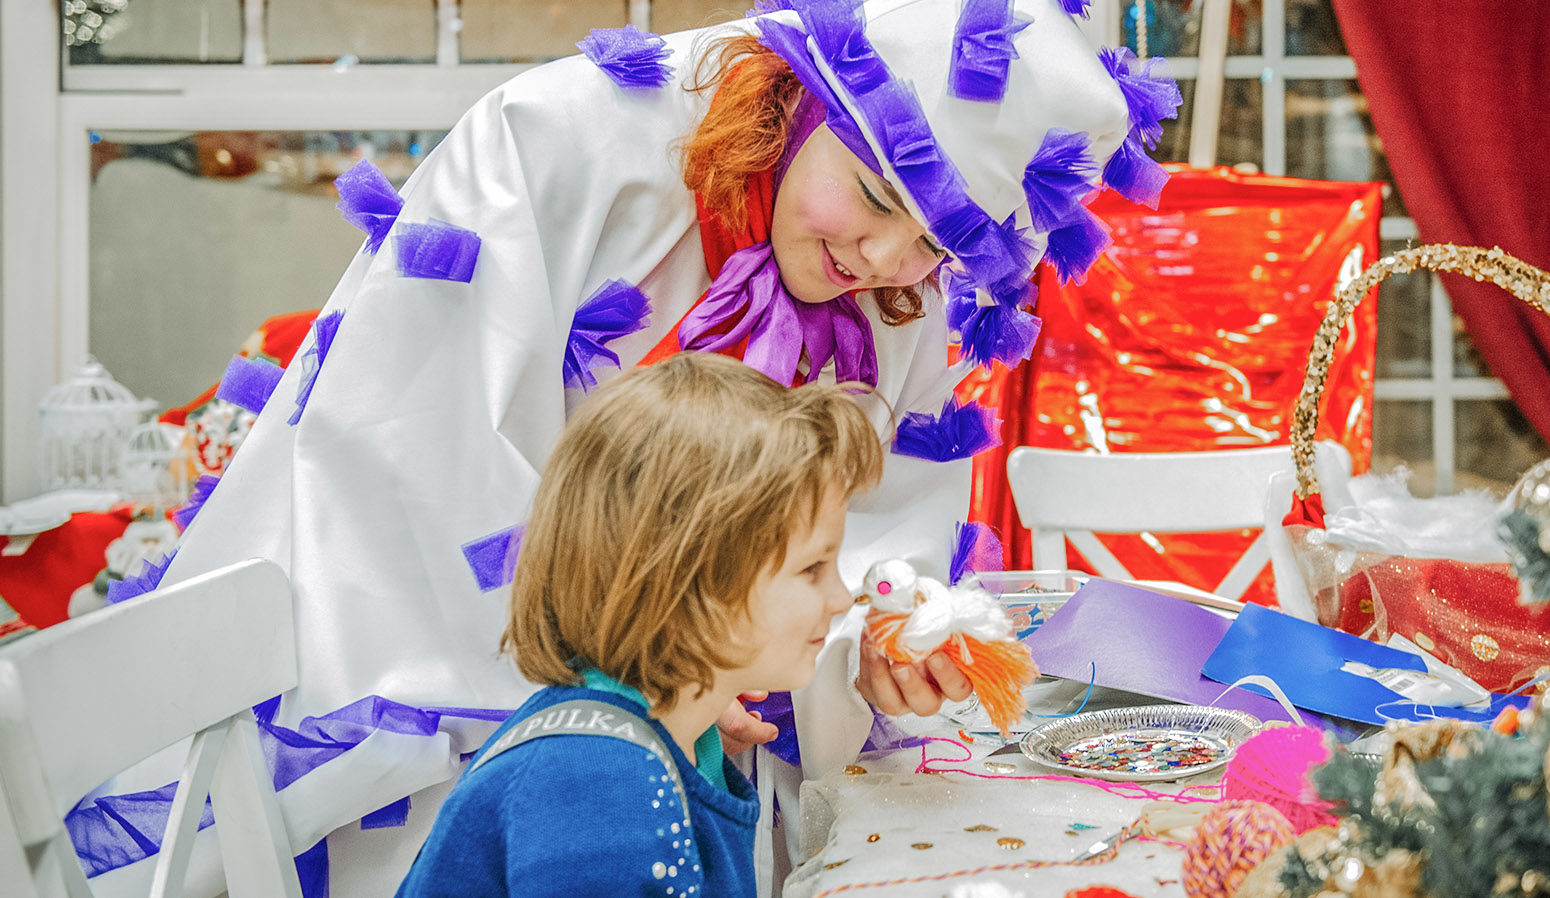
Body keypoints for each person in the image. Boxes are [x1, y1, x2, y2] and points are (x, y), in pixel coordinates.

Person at [79, 2, 1176, 895]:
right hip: (485, 730)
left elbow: (884, 524)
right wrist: (655, 665)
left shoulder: (902, 280)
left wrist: (873, 635)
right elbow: (406, 463)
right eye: (878, 195)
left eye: (933, 246)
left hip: (702, 740)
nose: (881, 260)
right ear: (796, 97)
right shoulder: (553, 145)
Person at [394, 351, 878, 896]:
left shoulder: (679, 736)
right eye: (812, 568)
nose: (841, 596)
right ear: (687, 581)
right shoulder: (600, 792)